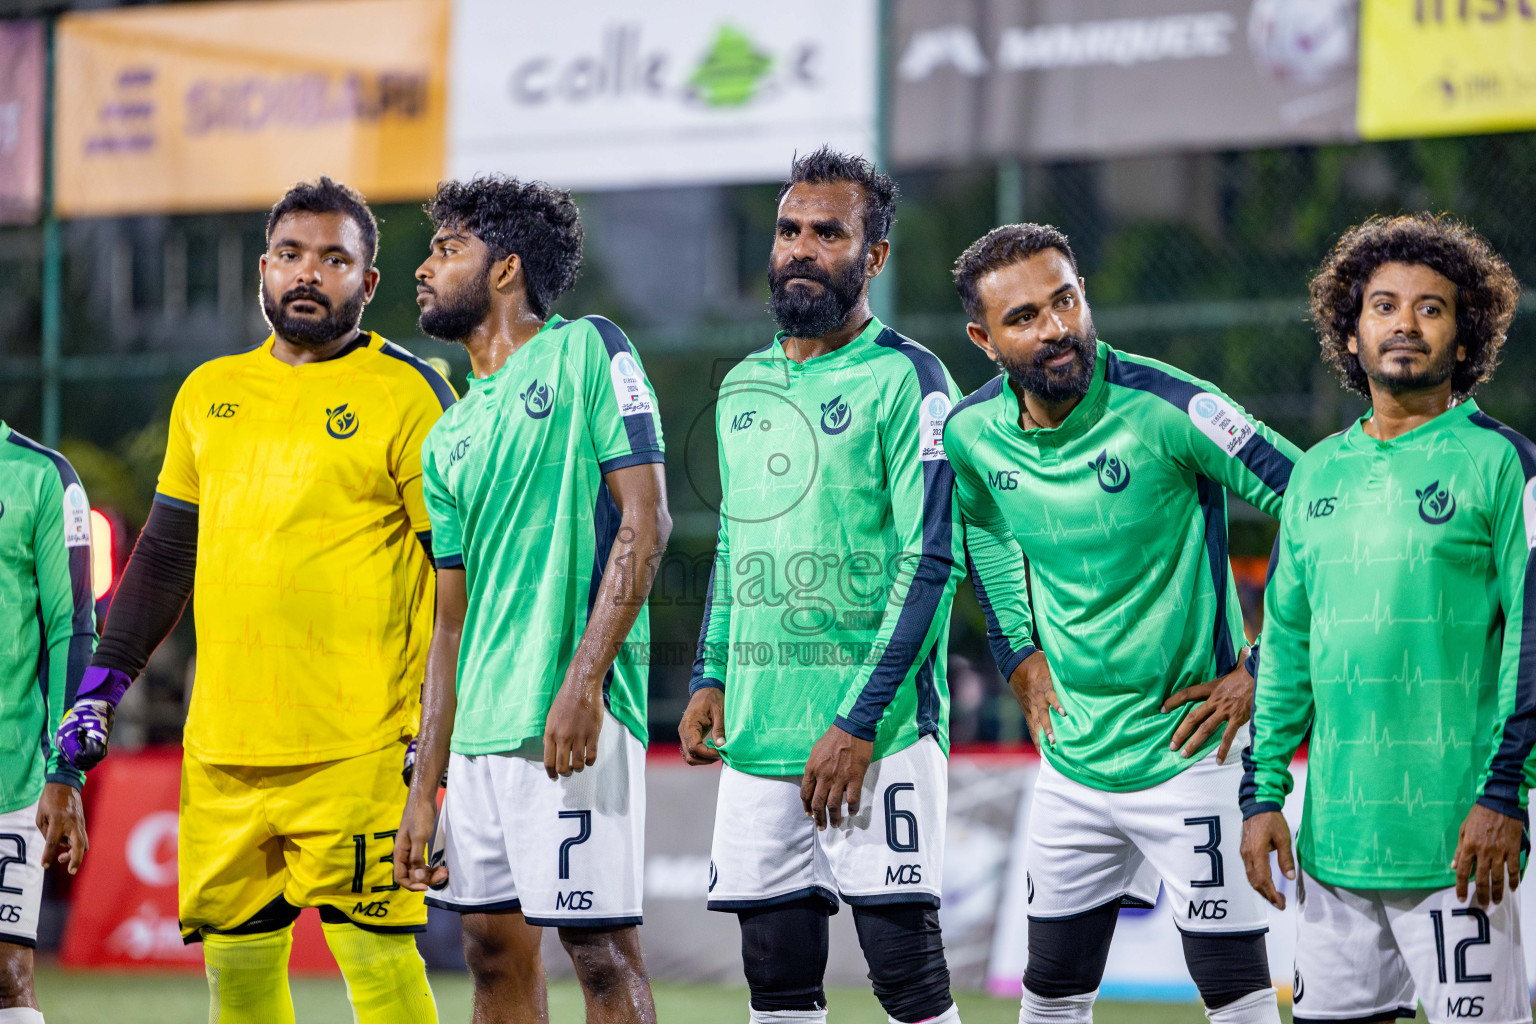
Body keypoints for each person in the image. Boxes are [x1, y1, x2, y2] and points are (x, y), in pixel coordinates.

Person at [54, 177, 449, 1024]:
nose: (310, 274)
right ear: (263, 269)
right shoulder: (209, 393)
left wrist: (438, 728)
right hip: (226, 748)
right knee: (236, 982)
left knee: (379, 970)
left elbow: (457, 577)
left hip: (361, 746)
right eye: (293, 256)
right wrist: (101, 692)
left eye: (335, 260)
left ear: (368, 283)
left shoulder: (409, 394)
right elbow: (163, 557)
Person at [944, 223, 1302, 1024]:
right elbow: (985, 530)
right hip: (1072, 764)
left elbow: (1316, 500)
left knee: (1240, 1004)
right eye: (1026, 316)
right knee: (1049, 1004)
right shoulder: (971, 434)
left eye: (1065, 299)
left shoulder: (1172, 407)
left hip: (1192, 754)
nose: (1057, 328)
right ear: (983, 338)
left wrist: (1263, 661)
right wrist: (1018, 656)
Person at [680, 147, 967, 1024]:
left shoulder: (910, 382)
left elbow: (932, 563)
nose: (801, 248)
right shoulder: (743, 385)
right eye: (789, 231)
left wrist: (857, 721)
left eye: (828, 233)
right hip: (761, 738)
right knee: (776, 977)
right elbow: (738, 543)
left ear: (873, 257)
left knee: (906, 977)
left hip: (876, 742)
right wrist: (710, 672)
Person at [1241, 213, 1530, 1024]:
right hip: (1333, 853)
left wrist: (1506, 794)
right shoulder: (1316, 475)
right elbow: (1286, 649)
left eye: (1431, 309)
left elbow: (1532, 642)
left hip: (1460, 845)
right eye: (1384, 306)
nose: (1405, 323)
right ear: (1352, 331)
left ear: (1465, 340)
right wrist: (1261, 797)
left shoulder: (1503, 464)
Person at [394, 176, 669, 1024]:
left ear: (506, 267)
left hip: (570, 716)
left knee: (601, 955)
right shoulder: (448, 437)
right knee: (488, 955)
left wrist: (584, 681)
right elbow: (449, 624)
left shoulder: (589, 349)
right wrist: (424, 784)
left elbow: (648, 520)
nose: (423, 268)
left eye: (448, 249)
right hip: (477, 738)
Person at [0, 424, 94, 1024]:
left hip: (12, 783)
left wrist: (66, 770)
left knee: (8, 978)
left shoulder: (44, 478)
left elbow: (73, 629)